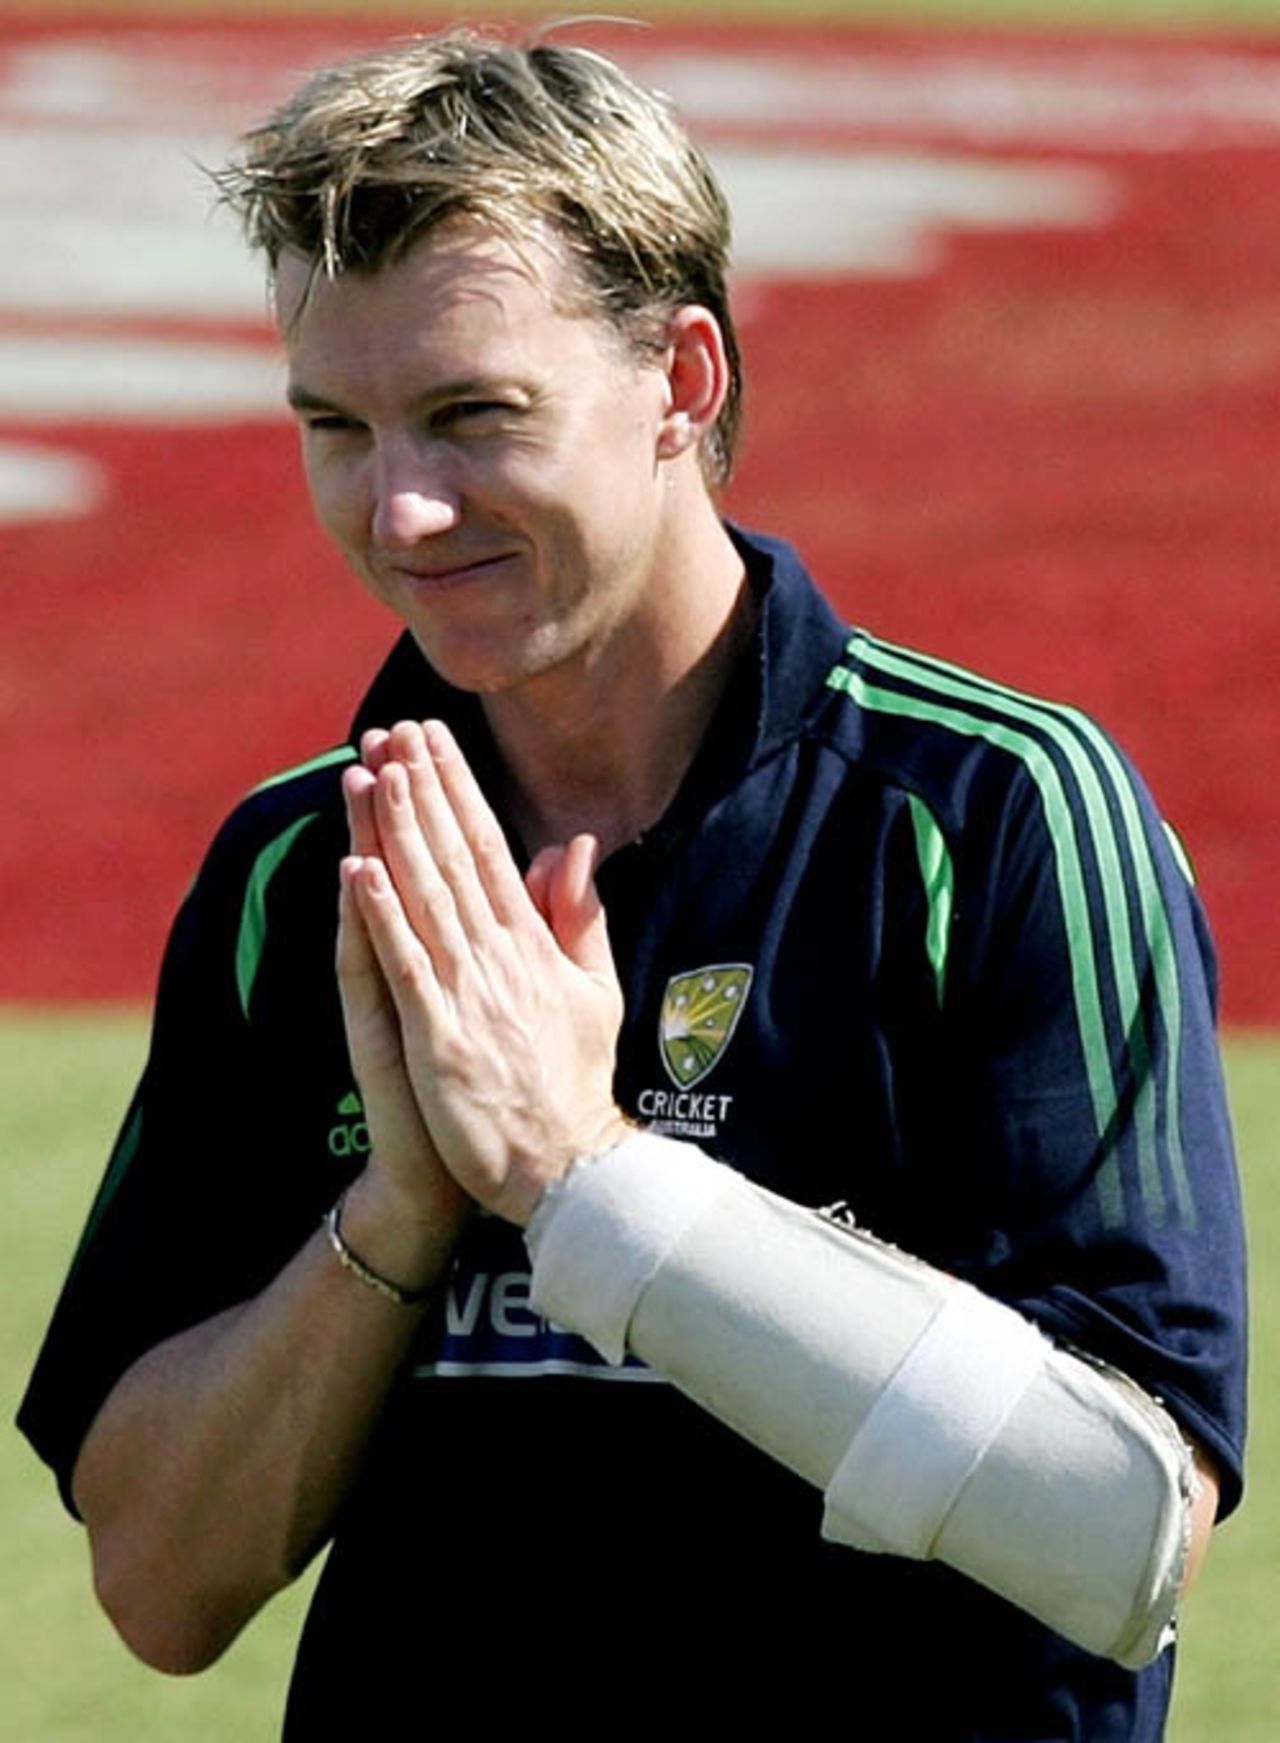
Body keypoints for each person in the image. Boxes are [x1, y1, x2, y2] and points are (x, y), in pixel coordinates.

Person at [19, 28, 1245, 1740]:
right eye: (337, 428)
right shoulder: (300, 868)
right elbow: (157, 1586)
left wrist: (585, 1182)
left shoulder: (999, 819)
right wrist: (402, 1215)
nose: (405, 512)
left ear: (681, 380)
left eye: (472, 416)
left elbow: (1122, 1527)